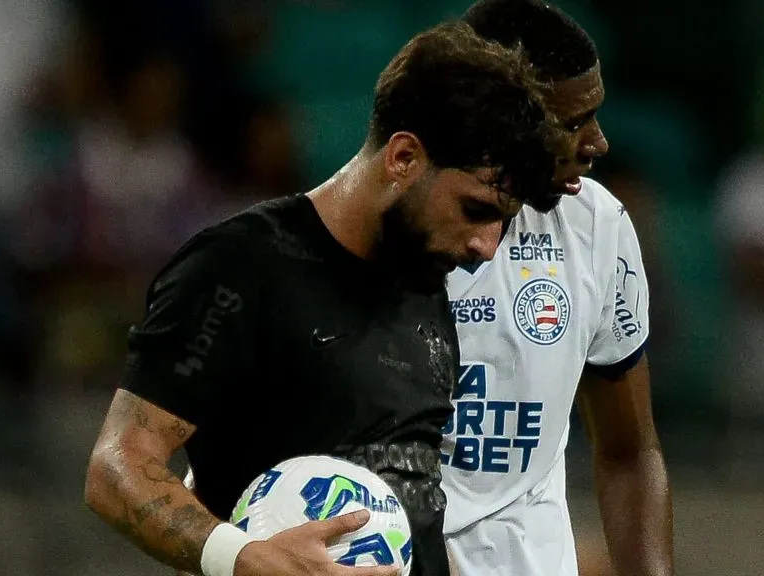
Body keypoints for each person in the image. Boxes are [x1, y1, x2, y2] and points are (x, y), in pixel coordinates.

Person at [84, 21, 560, 576]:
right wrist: (240, 557)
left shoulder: (423, 279)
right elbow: (117, 467)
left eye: (503, 223)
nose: (486, 246)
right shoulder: (239, 268)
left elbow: (411, 508)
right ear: (403, 157)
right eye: (476, 210)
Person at [439, 2, 674, 576]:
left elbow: (628, 450)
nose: (598, 143)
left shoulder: (597, 225)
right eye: (571, 124)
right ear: (496, 122)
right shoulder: (372, 231)